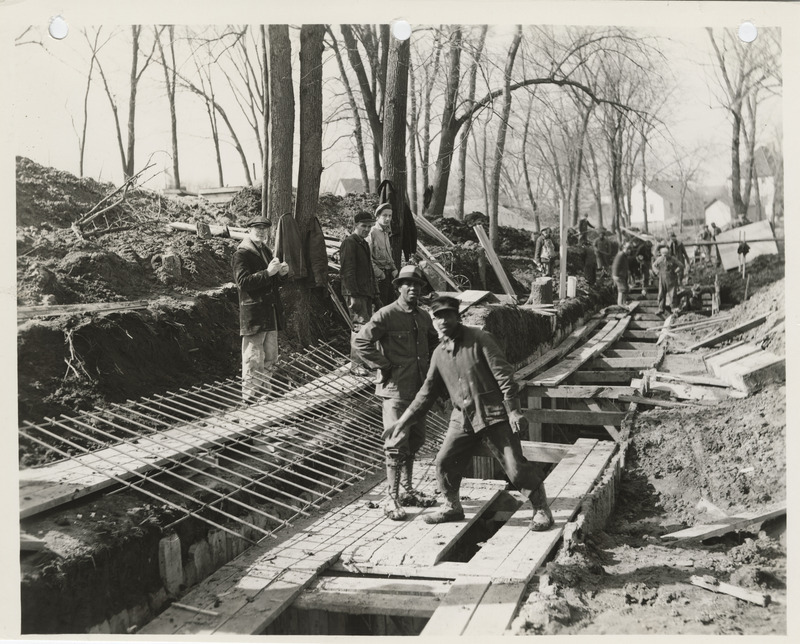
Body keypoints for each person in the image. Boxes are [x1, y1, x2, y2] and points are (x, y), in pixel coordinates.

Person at [389, 296, 554, 532]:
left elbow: (504, 375)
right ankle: (452, 506)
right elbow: (426, 393)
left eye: (449, 314)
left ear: (459, 316)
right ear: (433, 321)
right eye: (438, 316)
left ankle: (540, 509)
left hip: (493, 413)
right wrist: (404, 421)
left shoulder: (480, 339)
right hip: (462, 418)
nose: (444, 320)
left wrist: (514, 410)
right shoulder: (438, 354)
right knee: (444, 461)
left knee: (514, 467)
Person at [353, 265, 439, 520]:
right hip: (395, 391)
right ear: (399, 287)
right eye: (407, 284)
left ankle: (407, 490)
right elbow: (360, 342)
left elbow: (434, 343)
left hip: (419, 390)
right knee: (395, 444)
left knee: (415, 441)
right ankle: (391, 498)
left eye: (417, 285)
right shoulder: (386, 315)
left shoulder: (423, 316)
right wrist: (384, 365)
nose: (412, 288)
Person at [231, 214, 289, 402]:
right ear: (250, 230)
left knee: (271, 355)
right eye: (258, 228)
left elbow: (271, 281)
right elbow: (243, 282)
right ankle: (250, 396)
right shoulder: (242, 254)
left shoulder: (265, 251)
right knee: (253, 356)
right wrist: (268, 272)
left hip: (270, 311)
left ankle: (265, 391)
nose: (262, 232)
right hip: (254, 312)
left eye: (264, 229)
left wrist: (281, 275)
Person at [340, 211, 381, 375]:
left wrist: (375, 293)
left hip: (365, 292)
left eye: (370, 226)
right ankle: (356, 365)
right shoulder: (349, 243)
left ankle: (363, 362)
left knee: (365, 328)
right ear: (355, 225)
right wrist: (353, 295)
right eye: (363, 226)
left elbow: (369, 271)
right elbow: (347, 272)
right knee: (359, 328)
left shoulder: (363, 243)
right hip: (355, 293)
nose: (367, 229)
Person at [367, 203, 397, 306]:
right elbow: (368, 258)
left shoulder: (386, 232)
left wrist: (394, 268)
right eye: (385, 215)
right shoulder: (372, 233)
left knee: (391, 306)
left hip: (388, 276)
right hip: (379, 278)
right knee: (381, 308)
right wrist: (380, 274)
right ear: (378, 216)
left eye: (390, 216)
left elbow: (388, 254)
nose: (388, 219)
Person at [651, 245, 681, 315]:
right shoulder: (659, 259)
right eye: (664, 255)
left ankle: (673, 308)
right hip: (662, 278)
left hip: (671, 278)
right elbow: (653, 265)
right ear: (661, 254)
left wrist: (676, 271)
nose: (665, 257)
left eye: (666, 255)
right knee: (661, 293)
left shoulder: (673, 259)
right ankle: (661, 308)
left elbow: (681, 265)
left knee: (672, 293)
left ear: (668, 254)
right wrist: (657, 272)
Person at [612, 242, 630, 306]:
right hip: (619, 275)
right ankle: (620, 304)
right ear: (623, 248)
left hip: (622, 275)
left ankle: (624, 302)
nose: (629, 251)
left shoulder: (625, 256)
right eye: (628, 249)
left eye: (629, 249)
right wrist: (615, 275)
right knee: (622, 289)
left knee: (625, 289)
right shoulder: (620, 255)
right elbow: (615, 265)